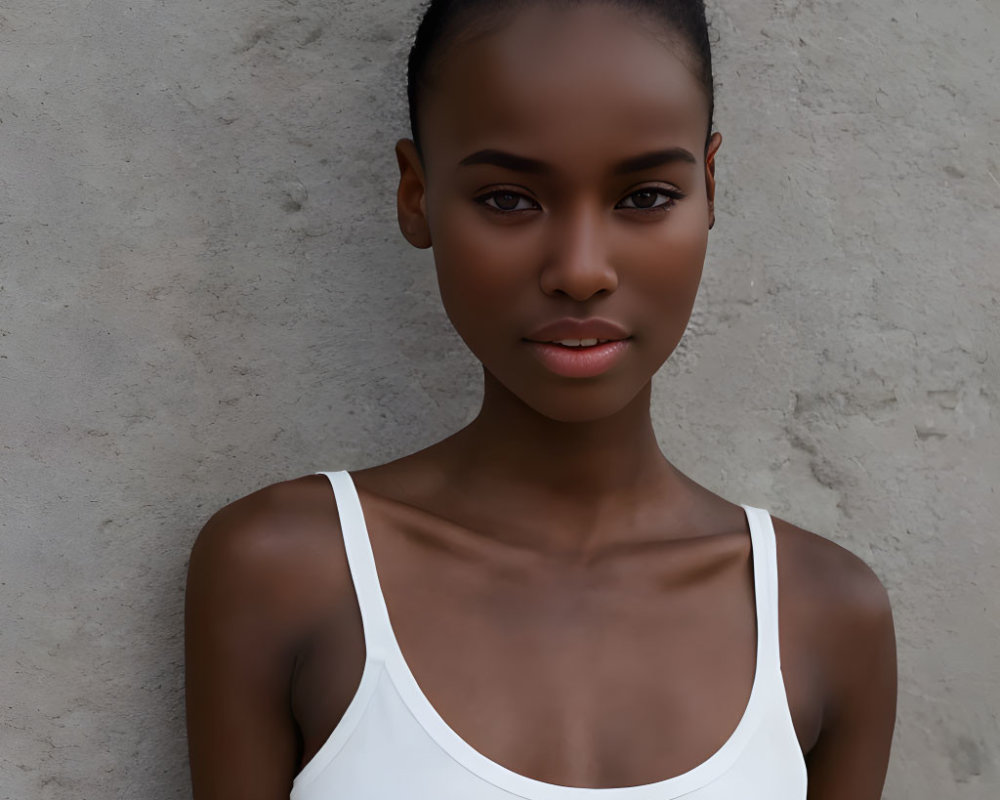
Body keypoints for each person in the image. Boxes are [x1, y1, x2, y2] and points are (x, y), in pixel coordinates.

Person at [184, 1, 897, 797]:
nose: (582, 269)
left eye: (647, 196)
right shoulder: (287, 569)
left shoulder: (828, 615)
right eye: (509, 199)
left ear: (710, 187)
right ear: (416, 197)